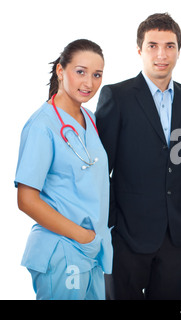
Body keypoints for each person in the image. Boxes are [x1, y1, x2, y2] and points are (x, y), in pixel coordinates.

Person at [95, 13, 181, 300]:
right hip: (128, 236)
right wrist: (113, 225)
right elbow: (100, 169)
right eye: (153, 45)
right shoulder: (117, 96)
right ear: (140, 50)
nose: (161, 54)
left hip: (179, 238)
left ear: (179, 50)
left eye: (169, 46)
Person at [15, 39, 112, 300]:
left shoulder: (89, 118)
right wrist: (82, 236)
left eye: (97, 75)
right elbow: (26, 200)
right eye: (80, 72)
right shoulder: (42, 126)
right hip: (62, 251)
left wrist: (91, 241)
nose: (89, 83)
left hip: (90, 253)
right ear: (60, 71)